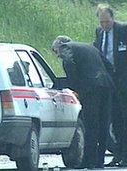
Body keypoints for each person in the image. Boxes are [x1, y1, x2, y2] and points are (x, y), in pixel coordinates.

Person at [52, 36, 113, 169]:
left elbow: (68, 63)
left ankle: (88, 161)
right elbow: (108, 65)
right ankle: (99, 161)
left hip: (90, 88)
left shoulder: (65, 47)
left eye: (54, 51)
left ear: (60, 44)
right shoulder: (90, 47)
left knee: (90, 125)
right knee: (103, 124)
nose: (57, 55)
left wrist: (75, 87)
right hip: (106, 85)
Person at [93, 3, 127, 167]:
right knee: (115, 120)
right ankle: (118, 154)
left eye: (107, 22)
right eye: (102, 22)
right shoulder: (99, 33)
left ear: (113, 18)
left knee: (125, 117)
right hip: (108, 81)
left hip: (124, 80)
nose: (105, 25)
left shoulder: (123, 30)